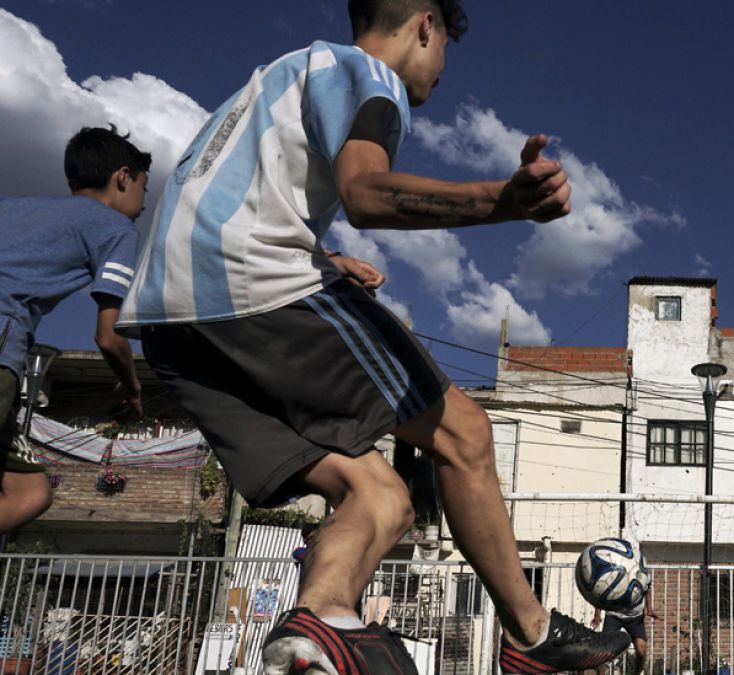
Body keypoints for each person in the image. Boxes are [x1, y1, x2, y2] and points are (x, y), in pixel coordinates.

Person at [115, 1, 630, 673]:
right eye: (443, 53)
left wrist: (325, 260)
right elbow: (364, 193)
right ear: (425, 26)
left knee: (380, 494)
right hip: (247, 285)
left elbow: (222, 203)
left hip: (171, 325)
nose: (439, 73)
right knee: (464, 433)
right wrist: (501, 202)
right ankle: (531, 634)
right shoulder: (365, 73)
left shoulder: (277, 78)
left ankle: (316, 626)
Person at [0, 126, 150, 536]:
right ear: (123, 177)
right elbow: (109, 336)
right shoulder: (116, 228)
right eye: (144, 188)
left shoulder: (11, 205)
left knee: (28, 491)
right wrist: (133, 389)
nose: (142, 204)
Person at [590, 581, 659, 674]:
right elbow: (601, 590)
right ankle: (601, 671)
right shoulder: (614, 573)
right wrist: (597, 615)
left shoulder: (643, 574)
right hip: (613, 615)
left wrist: (649, 608)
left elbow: (647, 589)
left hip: (635, 617)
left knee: (641, 651)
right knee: (604, 650)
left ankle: (637, 673)